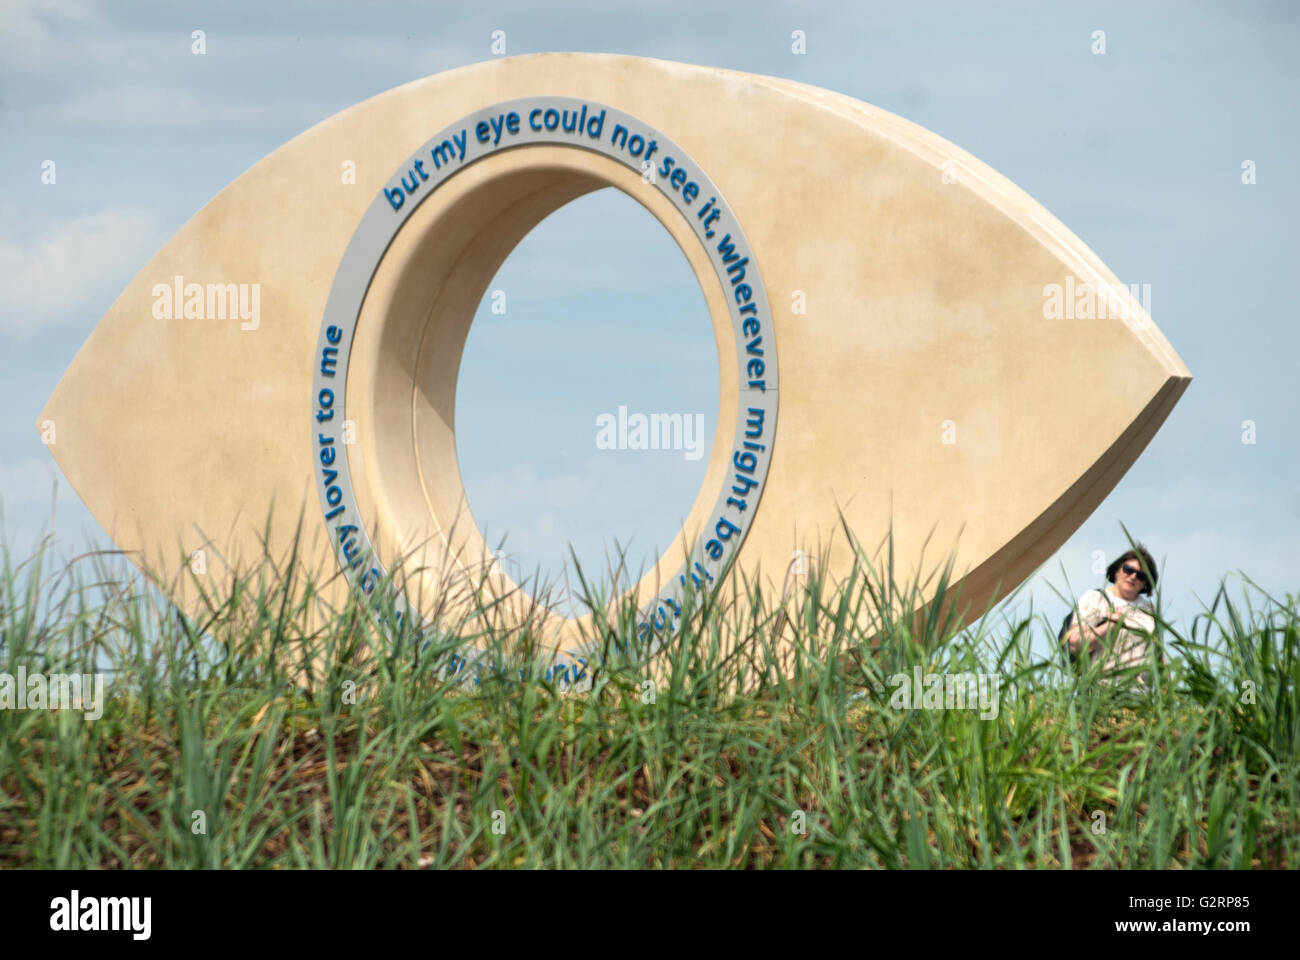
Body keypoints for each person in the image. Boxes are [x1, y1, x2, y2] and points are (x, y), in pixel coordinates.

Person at [1061, 546, 1159, 685]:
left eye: (1141, 576)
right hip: (1102, 690)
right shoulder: (1095, 599)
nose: (1133, 577)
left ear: (1145, 583)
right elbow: (1076, 643)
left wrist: (1166, 693)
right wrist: (1111, 624)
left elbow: (1158, 654)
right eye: (1129, 570)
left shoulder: (1148, 609)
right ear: (1117, 569)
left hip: (1140, 695)